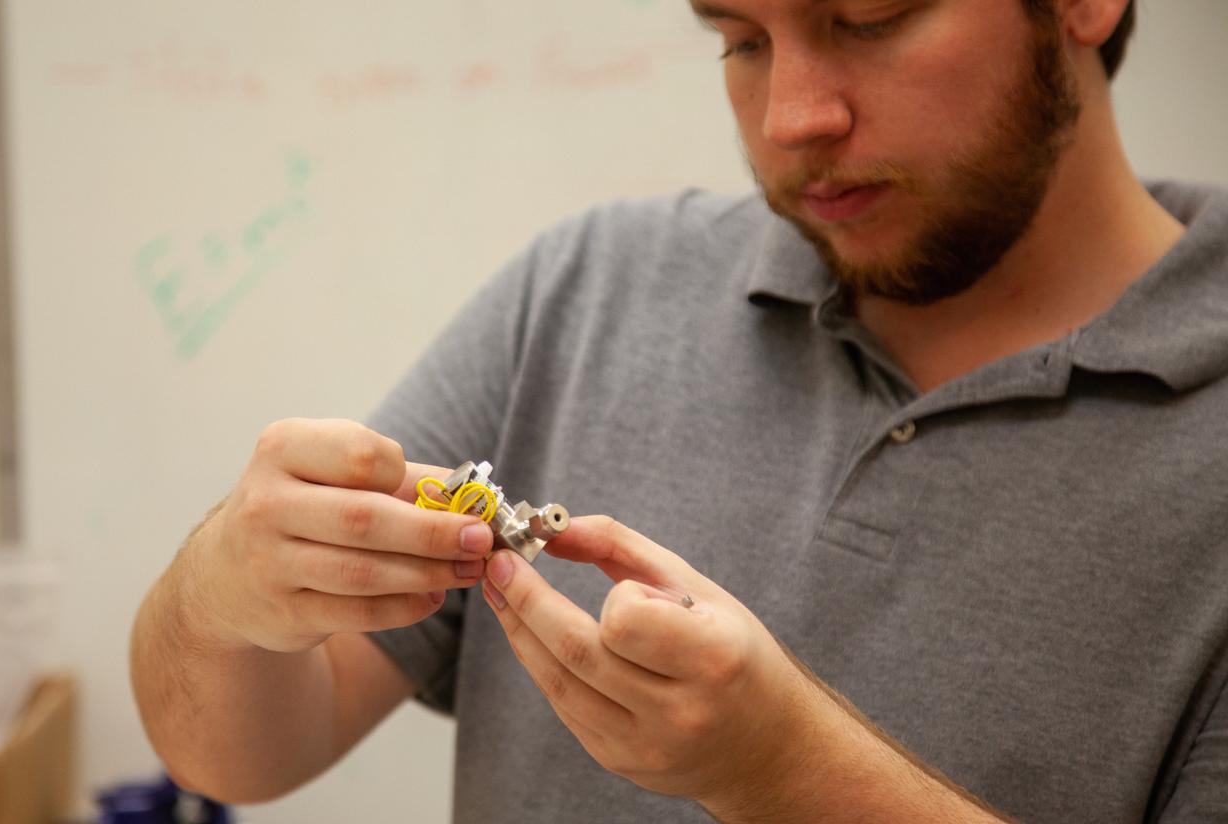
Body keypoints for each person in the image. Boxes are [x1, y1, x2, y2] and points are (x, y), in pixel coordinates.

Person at [131, 0, 1228, 821]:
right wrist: (220, 593)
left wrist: (790, 772)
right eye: (740, 40)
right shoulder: (583, 287)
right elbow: (233, 756)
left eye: (869, 18)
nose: (794, 117)